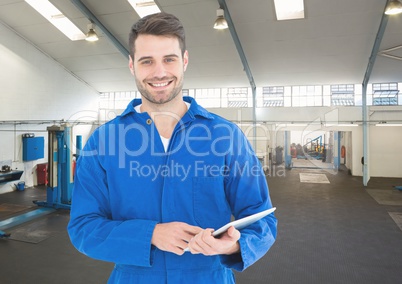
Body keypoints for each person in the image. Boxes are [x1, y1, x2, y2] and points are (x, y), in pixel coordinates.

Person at [67, 12, 277, 283]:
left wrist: (233, 245)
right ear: (132, 65)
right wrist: (150, 234)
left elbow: (262, 219)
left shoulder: (225, 136)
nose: (159, 72)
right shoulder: (104, 142)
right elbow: (84, 227)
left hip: (208, 275)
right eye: (147, 61)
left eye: (169, 59)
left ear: (185, 61)